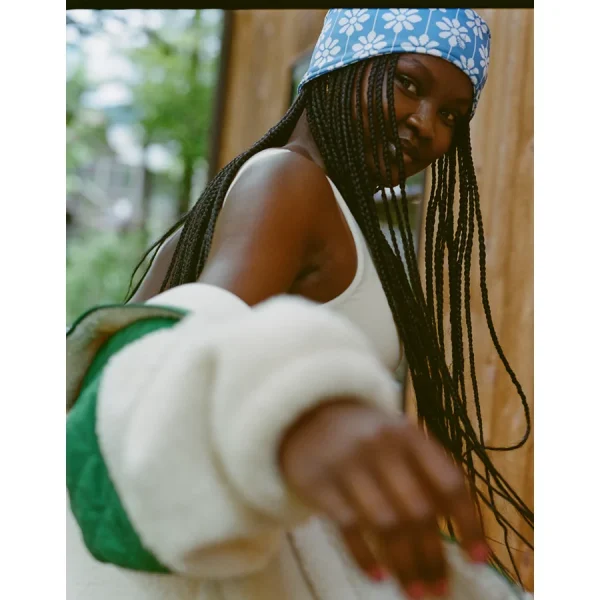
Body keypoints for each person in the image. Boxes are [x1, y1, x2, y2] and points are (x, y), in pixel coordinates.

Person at [66, 8, 533, 600]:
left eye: (451, 116)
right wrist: (297, 413)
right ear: (342, 64)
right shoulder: (288, 180)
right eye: (408, 84)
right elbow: (195, 336)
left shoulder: (316, 199)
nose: (426, 125)